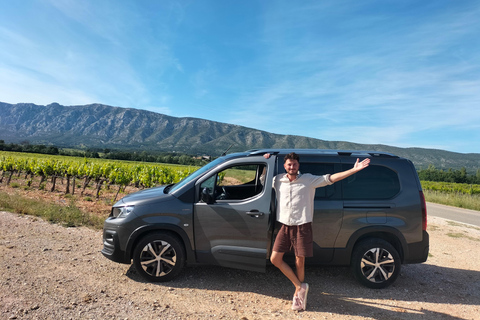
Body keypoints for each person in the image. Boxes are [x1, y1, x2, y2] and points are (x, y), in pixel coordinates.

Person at [264, 152, 370, 311]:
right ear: (285, 166)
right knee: (275, 259)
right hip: (284, 225)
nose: (292, 167)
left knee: (300, 261)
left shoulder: (308, 180)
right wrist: (265, 162)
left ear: (298, 165)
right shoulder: (277, 180)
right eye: (289, 164)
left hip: (302, 225)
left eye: (294, 164)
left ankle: (298, 294)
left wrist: (353, 170)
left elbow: (331, 178)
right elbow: (262, 181)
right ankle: (300, 286)